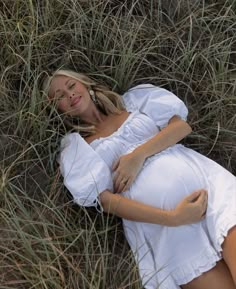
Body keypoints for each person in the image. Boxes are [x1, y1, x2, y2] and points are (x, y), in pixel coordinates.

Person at [42, 69, 236, 289]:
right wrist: (173, 217)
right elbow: (106, 202)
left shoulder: (134, 101)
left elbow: (181, 127)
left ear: (85, 84)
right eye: (59, 96)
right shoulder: (76, 148)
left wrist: (138, 156)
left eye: (71, 85)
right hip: (166, 229)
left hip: (211, 191)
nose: (69, 94)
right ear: (56, 109)